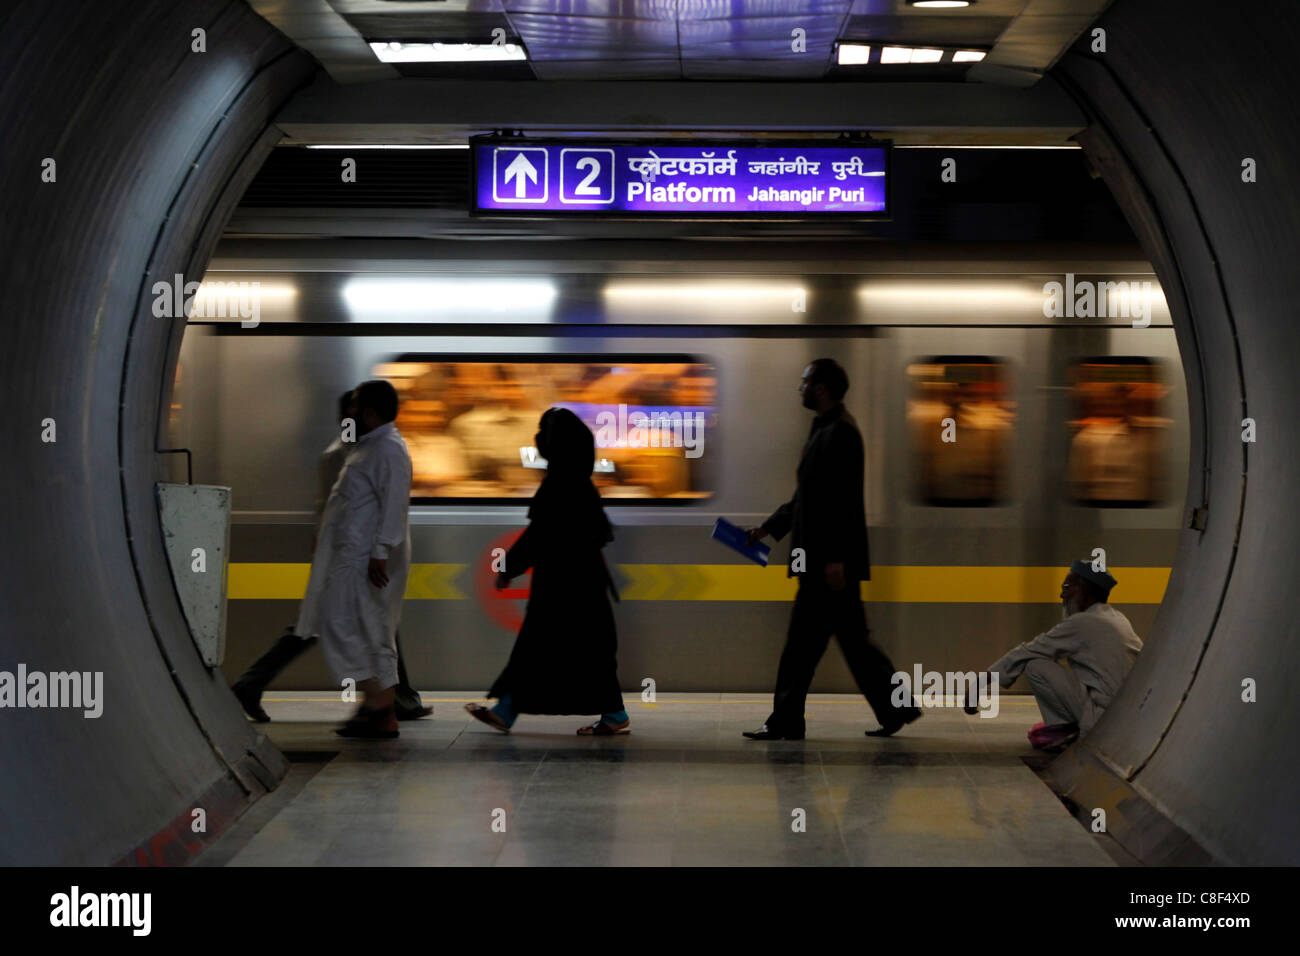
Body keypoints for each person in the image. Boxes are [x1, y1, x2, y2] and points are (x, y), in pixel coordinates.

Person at [742, 359, 920, 740]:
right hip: (824, 563)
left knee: (801, 648)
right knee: (854, 643)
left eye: (804, 381)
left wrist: (838, 559)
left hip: (827, 565)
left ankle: (787, 721)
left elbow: (843, 503)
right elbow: (807, 497)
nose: (799, 388)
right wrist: (769, 529)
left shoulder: (840, 432)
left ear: (821, 388)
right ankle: (897, 708)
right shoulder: (826, 429)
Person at [231, 391, 430, 723]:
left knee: (365, 624)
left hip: (349, 555)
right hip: (347, 556)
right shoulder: (347, 453)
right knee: (327, 623)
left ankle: (394, 699)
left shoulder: (359, 450)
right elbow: (344, 509)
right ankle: (389, 700)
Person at [465, 407, 629, 736]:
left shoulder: (559, 484)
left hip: (560, 586)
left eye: (544, 433)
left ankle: (507, 709)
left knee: (536, 647)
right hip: (583, 584)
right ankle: (612, 713)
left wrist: (508, 567)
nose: (538, 439)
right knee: (589, 650)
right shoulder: (580, 482)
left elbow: (537, 536)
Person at [294, 380, 413, 739]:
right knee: (346, 624)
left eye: (356, 406)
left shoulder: (389, 449)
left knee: (366, 627)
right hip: (352, 557)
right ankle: (376, 705)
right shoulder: (369, 447)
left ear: (371, 412)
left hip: (367, 559)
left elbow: (395, 504)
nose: (349, 412)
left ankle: (380, 708)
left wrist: (380, 553)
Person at [970, 560, 1143, 750]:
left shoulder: (1083, 622)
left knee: (1034, 665)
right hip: (1128, 718)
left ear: (1084, 592)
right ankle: (1066, 727)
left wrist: (978, 684)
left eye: (1067, 587)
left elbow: (1027, 651)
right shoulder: (1117, 618)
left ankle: (1064, 730)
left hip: (1102, 719)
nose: (1062, 595)